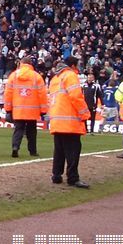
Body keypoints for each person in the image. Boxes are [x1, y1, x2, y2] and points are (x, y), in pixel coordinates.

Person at [48, 56, 90, 188]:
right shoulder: (70, 75)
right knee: (73, 150)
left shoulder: (55, 78)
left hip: (57, 118)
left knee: (59, 150)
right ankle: (73, 178)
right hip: (69, 119)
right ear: (72, 65)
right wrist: (85, 114)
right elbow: (76, 96)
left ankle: (56, 175)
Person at [4, 56, 47, 157]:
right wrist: (43, 110)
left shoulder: (13, 76)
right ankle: (32, 151)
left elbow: (8, 94)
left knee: (18, 129)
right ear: (30, 64)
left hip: (18, 109)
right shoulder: (36, 76)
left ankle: (15, 147)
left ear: (21, 63)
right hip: (32, 110)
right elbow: (42, 94)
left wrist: (8, 110)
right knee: (32, 131)